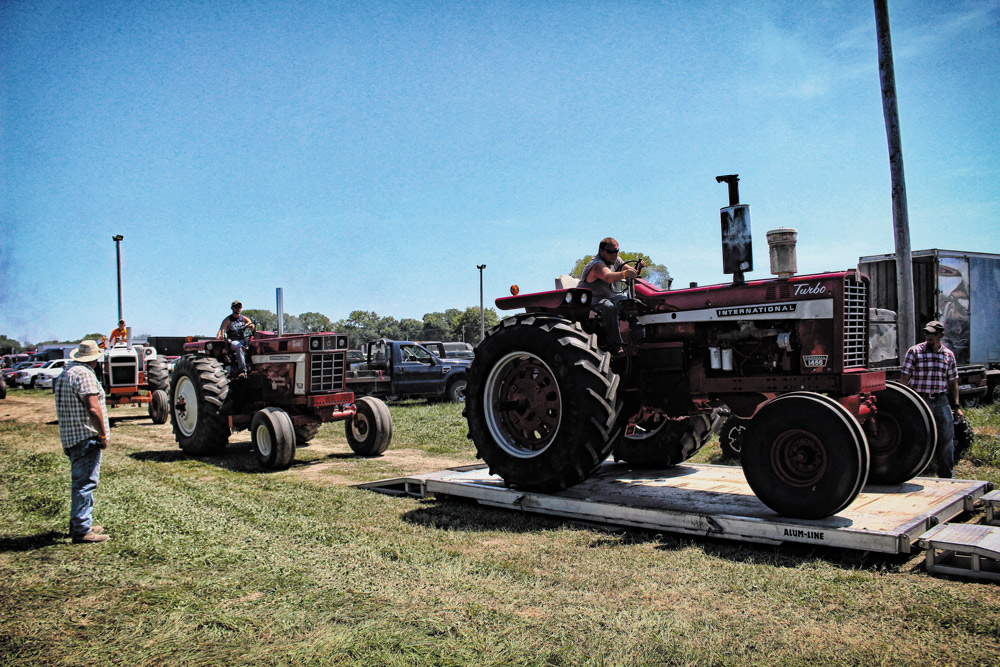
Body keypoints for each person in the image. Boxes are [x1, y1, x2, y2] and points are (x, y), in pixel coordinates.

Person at [54, 339, 111, 544]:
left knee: (80, 482)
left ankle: (79, 522)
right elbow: (93, 408)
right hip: (86, 436)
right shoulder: (86, 375)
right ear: (95, 359)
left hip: (70, 436)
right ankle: (82, 529)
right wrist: (103, 435)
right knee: (85, 484)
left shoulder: (66, 373)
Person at [900, 320, 964, 478]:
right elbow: (904, 379)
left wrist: (956, 406)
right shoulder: (915, 352)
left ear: (941, 335)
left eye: (932, 334)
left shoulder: (948, 355)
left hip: (941, 400)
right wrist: (907, 402)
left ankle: (947, 476)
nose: (929, 336)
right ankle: (916, 474)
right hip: (921, 399)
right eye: (926, 333)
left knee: (946, 439)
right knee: (919, 438)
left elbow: (953, 382)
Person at [579, 237, 644, 350]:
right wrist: (625, 273)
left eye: (616, 251)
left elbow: (631, 272)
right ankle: (614, 345)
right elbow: (608, 277)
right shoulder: (597, 265)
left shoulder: (616, 260)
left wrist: (638, 268)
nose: (614, 254)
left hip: (610, 297)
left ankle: (639, 337)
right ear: (601, 251)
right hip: (590, 299)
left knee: (629, 303)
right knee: (608, 307)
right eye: (610, 251)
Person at [217, 300, 255, 377]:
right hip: (233, 341)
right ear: (232, 308)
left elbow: (251, 325)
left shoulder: (243, 318)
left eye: (240, 307)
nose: (238, 309)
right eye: (236, 307)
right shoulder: (228, 320)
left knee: (254, 344)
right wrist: (220, 337)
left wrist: (248, 325)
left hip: (243, 339)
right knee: (238, 346)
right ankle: (242, 369)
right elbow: (222, 330)